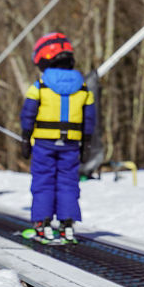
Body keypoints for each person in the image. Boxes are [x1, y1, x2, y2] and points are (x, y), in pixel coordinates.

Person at [20, 32, 96, 242]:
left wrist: (25, 139)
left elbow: (28, 114)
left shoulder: (40, 86)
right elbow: (89, 118)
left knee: (43, 181)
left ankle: (42, 224)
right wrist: (86, 143)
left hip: (44, 143)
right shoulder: (83, 88)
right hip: (71, 144)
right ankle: (67, 225)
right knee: (68, 182)